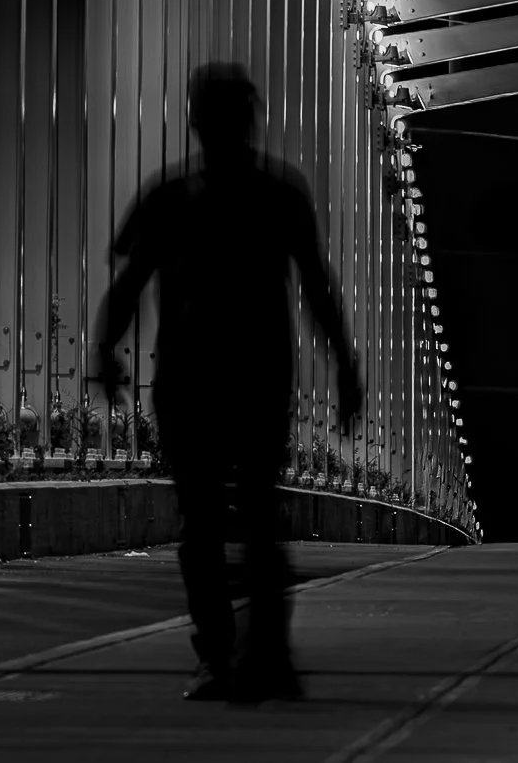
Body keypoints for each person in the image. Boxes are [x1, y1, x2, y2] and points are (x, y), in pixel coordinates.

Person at [95, 62, 363, 703]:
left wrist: (106, 353)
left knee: (204, 527)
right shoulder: (282, 192)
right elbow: (318, 292)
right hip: (258, 377)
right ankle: (266, 655)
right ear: (250, 119)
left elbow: (128, 287)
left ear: (194, 120)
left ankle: (218, 657)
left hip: (192, 380)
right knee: (258, 522)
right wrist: (346, 371)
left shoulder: (170, 194)